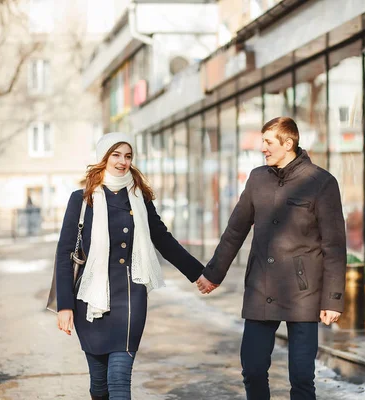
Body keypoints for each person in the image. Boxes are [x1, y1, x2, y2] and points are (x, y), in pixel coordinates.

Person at [197, 117, 346, 400]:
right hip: (260, 289)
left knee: (302, 377)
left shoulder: (321, 182)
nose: (262, 148)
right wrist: (213, 274)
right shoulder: (257, 179)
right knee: (252, 369)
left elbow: (335, 246)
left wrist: (332, 299)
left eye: (268, 142)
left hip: (303, 292)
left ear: (288, 143)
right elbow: (235, 231)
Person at [55, 132, 205, 400]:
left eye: (128, 156)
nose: (123, 162)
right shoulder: (82, 199)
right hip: (90, 300)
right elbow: (65, 254)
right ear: (103, 158)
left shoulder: (139, 198)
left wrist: (198, 273)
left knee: (120, 381)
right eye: (116, 155)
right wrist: (64, 305)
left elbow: (163, 239)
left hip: (130, 297)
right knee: (99, 386)